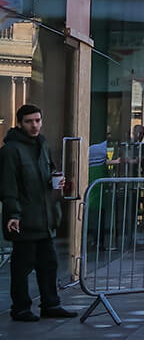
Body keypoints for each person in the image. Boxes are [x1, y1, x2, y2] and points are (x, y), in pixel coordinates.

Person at [1, 104, 75, 320]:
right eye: (29, 121)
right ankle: (21, 308)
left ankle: (50, 304)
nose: (34, 125)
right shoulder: (10, 150)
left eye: (37, 120)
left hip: (44, 217)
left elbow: (50, 172)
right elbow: (8, 186)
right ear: (20, 123)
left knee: (48, 263)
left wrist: (57, 181)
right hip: (25, 217)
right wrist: (13, 214)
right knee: (22, 266)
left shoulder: (42, 145)